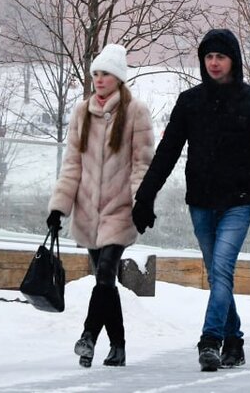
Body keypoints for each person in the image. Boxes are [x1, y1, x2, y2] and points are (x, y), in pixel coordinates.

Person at [131, 28, 250, 372]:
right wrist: (145, 197)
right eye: (209, 57)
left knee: (221, 270)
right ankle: (235, 340)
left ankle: (209, 341)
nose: (214, 63)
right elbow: (167, 152)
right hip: (200, 202)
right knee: (219, 277)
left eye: (221, 56)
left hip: (238, 203)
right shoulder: (190, 102)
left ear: (234, 60)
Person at [47, 44, 154, 369]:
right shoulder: (82, 112)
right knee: (104, 283)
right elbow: (72, 165)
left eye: (105, 73)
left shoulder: (136, 112)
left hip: (120, 210)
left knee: (106, 272)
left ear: (118, 77)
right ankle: (118, 347)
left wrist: (141, 204)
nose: (99, 79)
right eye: (95, 73)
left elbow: (142, 164)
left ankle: (88, 337)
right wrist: (58, 208)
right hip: (87, 213)